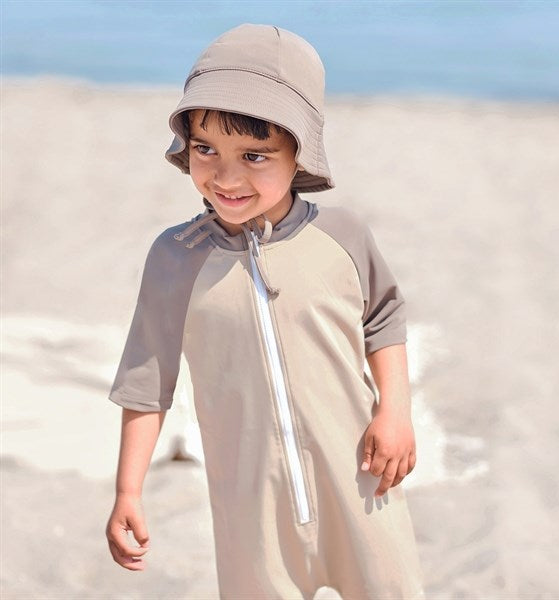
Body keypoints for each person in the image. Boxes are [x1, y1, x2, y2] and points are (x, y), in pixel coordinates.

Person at [105, 23, 425, 599]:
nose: (226, 176)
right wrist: (128, 491)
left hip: (361, 481)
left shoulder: (342, 235)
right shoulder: (176, 258)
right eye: (206, 149)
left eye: (254, 155)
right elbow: (146, 382)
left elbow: (383, 319)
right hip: (249, 504)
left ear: (299, 151)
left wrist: (395, 413)